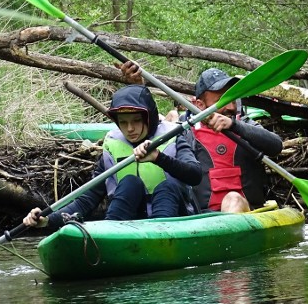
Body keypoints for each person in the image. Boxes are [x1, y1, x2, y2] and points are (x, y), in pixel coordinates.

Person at [23, 85, 202, 230]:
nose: (130, 128)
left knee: (168, 186)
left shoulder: (173, 137)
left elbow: (195, 175)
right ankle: (112, 231)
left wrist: (158, 157)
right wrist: (48, 220)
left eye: (136, 121)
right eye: (123, 122)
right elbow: (87, 199)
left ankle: (161, 235)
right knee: (130, 182)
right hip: (131, 226)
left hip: (174, 221)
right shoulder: (113, 145)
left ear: (150, 118)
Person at [121, 64, 284, 214]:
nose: (231, 107)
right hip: (202, 218)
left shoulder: (245, 124)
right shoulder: (184, 129)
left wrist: (234, 125)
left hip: (250, 212)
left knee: (232, 199)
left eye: (233, 98)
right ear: (199, 104)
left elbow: (276, 146)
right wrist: (138, 87)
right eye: (222, 100)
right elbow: (148, 131)